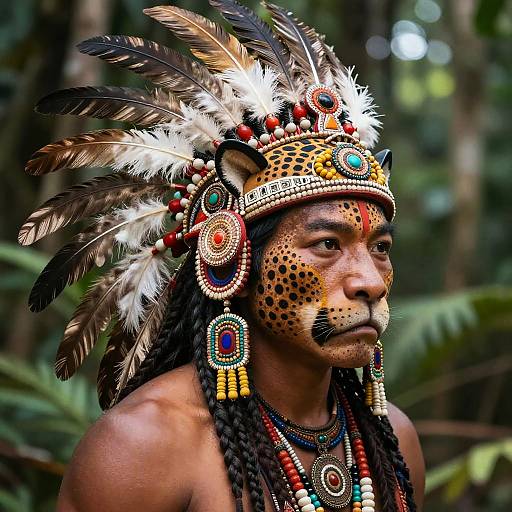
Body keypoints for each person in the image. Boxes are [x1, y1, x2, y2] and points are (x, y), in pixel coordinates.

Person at [20, 1, 425, 511]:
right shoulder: (145, 445)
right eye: (327, 245)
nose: (368, 280)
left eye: (380, 248)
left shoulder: (394, 440)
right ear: (234, 257)